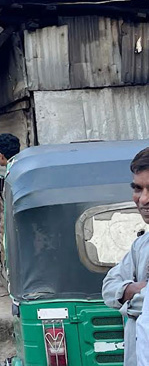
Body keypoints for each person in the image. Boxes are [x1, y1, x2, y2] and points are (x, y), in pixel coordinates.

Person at [103, 147, 149, 366]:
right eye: (138, 189)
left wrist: (132, 300)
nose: (144, 199)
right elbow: (109, 287)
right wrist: (131, 290)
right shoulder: (142, 244)